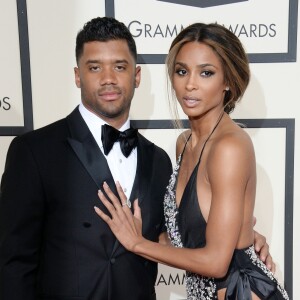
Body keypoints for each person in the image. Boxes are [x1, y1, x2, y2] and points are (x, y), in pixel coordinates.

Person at [0, 17, 272, 300]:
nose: (108, 78)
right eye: (95, 67)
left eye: (119, 66)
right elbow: (13, 263)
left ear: (137, 75)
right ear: (78, 75)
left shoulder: (158, 161)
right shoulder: (33, 151)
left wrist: (240, 242)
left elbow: (186, 243)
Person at [94, 22, 289, 299]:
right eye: (181, 71)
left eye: (206, 73)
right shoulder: (184, 144)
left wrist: (137, 243)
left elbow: (216, 261)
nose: (190, 84)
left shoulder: (230, 147)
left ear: (228, 82)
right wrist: (144, 234)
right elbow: (185, 238)